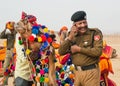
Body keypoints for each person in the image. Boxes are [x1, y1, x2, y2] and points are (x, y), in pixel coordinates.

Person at [58, 10, 103, 86]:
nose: (83, 25)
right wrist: (70, 37)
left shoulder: (94, 33)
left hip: (91, 72)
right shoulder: (72, 35)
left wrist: (79, 49)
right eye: (80, 23)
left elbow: (97, 52)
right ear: (74, 25)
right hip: (77, 73)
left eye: (84, 22)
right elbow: (61, 52)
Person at [14, 12, 57, 86]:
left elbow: (51, 60)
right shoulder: (20, 39)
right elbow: (25, 57)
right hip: (22, 74)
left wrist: (50, 75)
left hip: (38, 73)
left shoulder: (41, 40)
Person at [0, 21, 16, 86]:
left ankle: (15, 83)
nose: (11, 26)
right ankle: (4, 82)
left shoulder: (16, 32)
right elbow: (1, 36)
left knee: (15, 67)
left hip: (15, 51)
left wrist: (14, 28)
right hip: (8, 51)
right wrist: (5, 28)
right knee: (5, 67)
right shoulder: (7, 33)